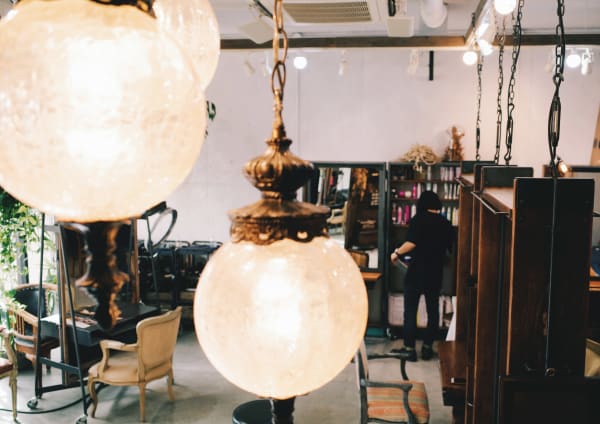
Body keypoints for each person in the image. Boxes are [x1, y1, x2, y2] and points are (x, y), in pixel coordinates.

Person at [390, 190, 453, 361]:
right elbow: (449, 252)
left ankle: (409, 349)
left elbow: (411, 243)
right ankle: (427, 348)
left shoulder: (418, 220)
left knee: (411, 310)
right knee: (433, 311)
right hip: (435, 273)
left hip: (417, 272)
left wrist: (396, 253)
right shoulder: (446, 224)